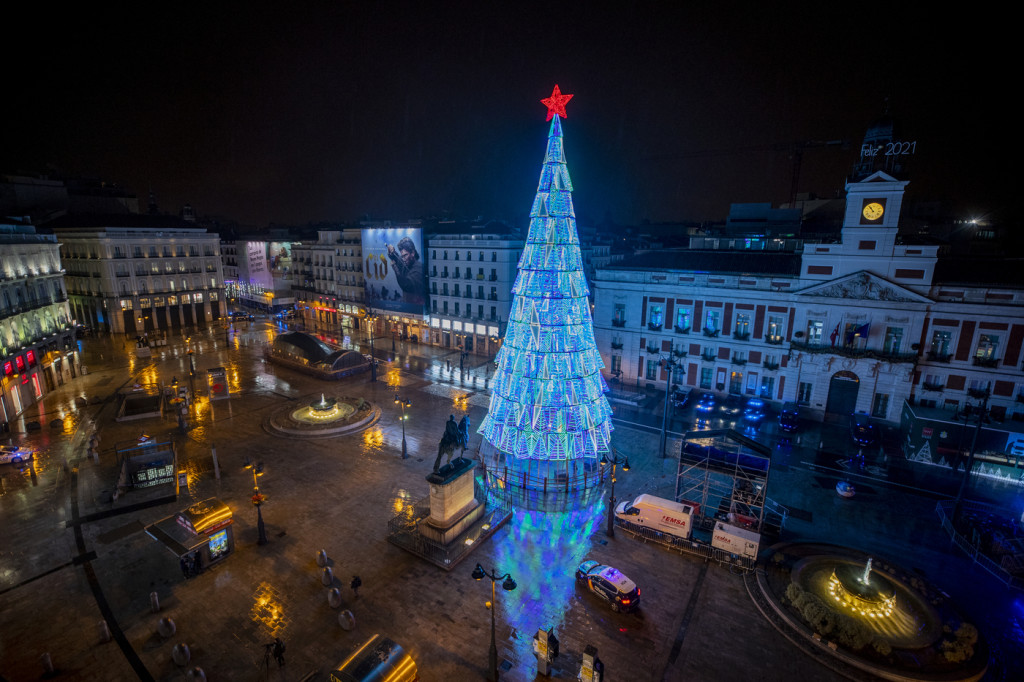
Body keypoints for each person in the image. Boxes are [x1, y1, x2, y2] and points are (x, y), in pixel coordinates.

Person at [386, 237, 425, 304]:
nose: (403, 259)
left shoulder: (419, 268)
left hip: (416, 308)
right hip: (408, 306)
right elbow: (398, 260)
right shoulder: (407, 264)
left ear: (412, 253)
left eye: (405, 255)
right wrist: (392, 252)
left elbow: (407, 285)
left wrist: (395, 269)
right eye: (402, 256)